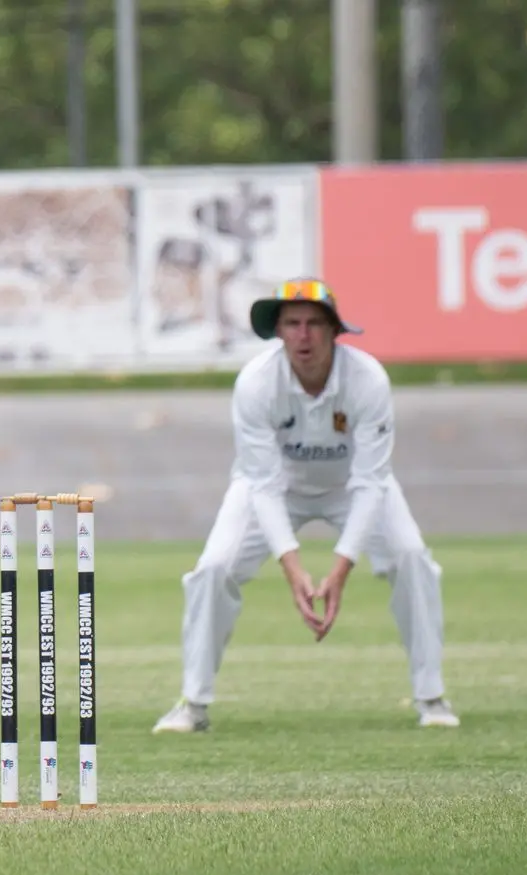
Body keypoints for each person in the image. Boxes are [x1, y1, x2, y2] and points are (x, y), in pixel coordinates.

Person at [152, 277, 459, 734]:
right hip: (275, 488)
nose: (303, 335)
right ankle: (193, 704)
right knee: (213, 568)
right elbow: (262, 482)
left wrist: (340, 568)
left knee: (412, 558)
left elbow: (372, 481)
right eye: (292, 323)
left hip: (353, 486)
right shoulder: (256, 383)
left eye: (314, 323)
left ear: (335, 331)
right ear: (278, 332)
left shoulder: (368, 379)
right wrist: (293, 567)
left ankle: (431, 697)